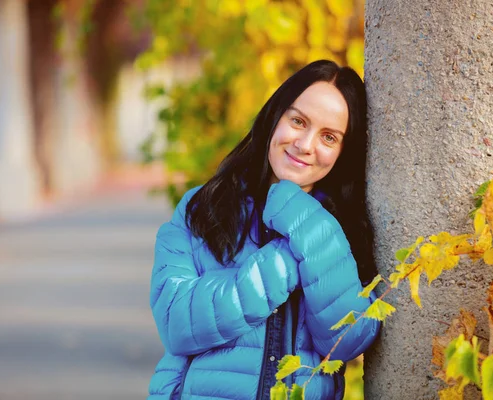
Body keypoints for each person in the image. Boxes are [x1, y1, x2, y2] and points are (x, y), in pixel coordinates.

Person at [147, 60, 380, 400]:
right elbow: (177, 322)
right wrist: (287, 260)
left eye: (329, 137)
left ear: (343, 152)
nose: (305, 144)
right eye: (298, 121)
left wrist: (305, 221)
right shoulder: (202, 207)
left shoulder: (343, 228)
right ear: (275, 116)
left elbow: (347, 339)